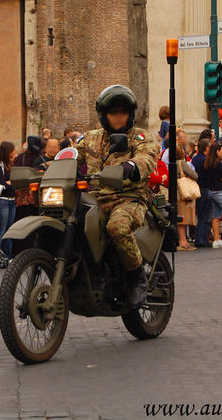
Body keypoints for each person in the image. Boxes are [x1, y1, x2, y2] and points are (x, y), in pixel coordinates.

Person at [75, 85, 157, 308]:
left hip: (129, 198)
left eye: (123, 112)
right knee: (72, 221)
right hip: (96, 199)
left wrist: (131, 166)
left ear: (130, 114)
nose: (118, 117)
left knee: (118, 228)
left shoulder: (139, 136)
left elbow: (148, 158)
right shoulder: (90, 139)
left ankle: (136, 278)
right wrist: (50, 168)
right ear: (104, 115)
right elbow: (73, 157)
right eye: (113, 112)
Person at [0, 141, 17, 257]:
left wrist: (11, 183)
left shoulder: (11, 165)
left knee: (10, 229)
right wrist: (11, 184)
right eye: (12, 151)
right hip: (3, 200)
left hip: (12, 200)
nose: (14, 153)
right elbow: (2, 185)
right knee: (1, 229)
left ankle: (8, 253)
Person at [175, 144, 197, 251]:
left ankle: (182, 240)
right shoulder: (181, 163)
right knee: (183, 217)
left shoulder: (172, 164)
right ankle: (183, 241)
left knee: (180, 217)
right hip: (183, 193)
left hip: (177, 192)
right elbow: (194, 175)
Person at [192, 137, 212, 247]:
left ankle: (200, 238)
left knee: (201, 214)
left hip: (199, 187)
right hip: (205, 188)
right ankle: (201, 239)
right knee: (205, 215)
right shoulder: (205, 160)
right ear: (207, 148)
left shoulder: (195, 158)